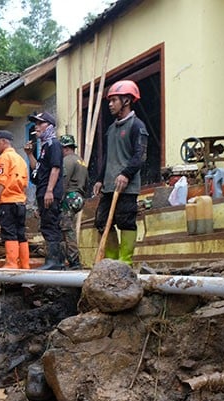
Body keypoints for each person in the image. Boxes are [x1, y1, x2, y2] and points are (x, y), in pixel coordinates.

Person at [93, 80, 148, 265]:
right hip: (109, 185)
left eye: (114, 100)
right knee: (101, 222)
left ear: (126, 101)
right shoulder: (111, 129)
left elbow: (140, 156)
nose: (110, 104)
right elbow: (108, 156)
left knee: (125, 221)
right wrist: (100, 179)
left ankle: (125, 262)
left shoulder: (137, 126)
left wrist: (126, 174)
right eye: (110, 101)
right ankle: (111, 260)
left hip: (127, 186)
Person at [25, 111, 64, 270]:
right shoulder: (44, 147)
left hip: (50, 193)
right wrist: (29, 154)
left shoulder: (54, 144)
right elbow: (38, 171)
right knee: (47, 225)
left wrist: (49, 191)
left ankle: (54, 262)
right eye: (36, 124)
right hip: (42, 191)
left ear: (49, 126)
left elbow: (55, 169)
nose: (37, 127)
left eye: (40, 123)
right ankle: (57, 262)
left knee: (50, 225)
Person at [0, 130, 29, 268]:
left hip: (8, 202)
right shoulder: (21, 160)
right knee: (21, 233)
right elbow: (25, 183)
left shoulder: (3, 159)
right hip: (20, 202)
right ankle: (24, 264)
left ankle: (11, 263)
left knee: (9, 232)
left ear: (4, 142)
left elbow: (2, 180)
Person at [59, 134, 88, 269]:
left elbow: (64, 182)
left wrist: (58, 199)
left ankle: (73, 261)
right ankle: (71, 260)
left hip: (69, 197)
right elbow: (86, 183)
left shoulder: (67, 161)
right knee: (68, 228)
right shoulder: (81, 161)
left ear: (64, 148)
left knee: (66, 229)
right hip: (79, 197)